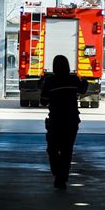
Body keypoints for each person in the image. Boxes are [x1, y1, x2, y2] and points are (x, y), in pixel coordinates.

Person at [40, 55, 88, 190]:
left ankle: (57, 174)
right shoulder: (73, 80)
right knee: (67, 150)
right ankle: (62, 178)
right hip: (71, 120)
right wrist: (84, 81)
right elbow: (83, 89)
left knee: (52, 149)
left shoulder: (50, 81)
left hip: (55, 120)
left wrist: (43, 87)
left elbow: (43, 101)